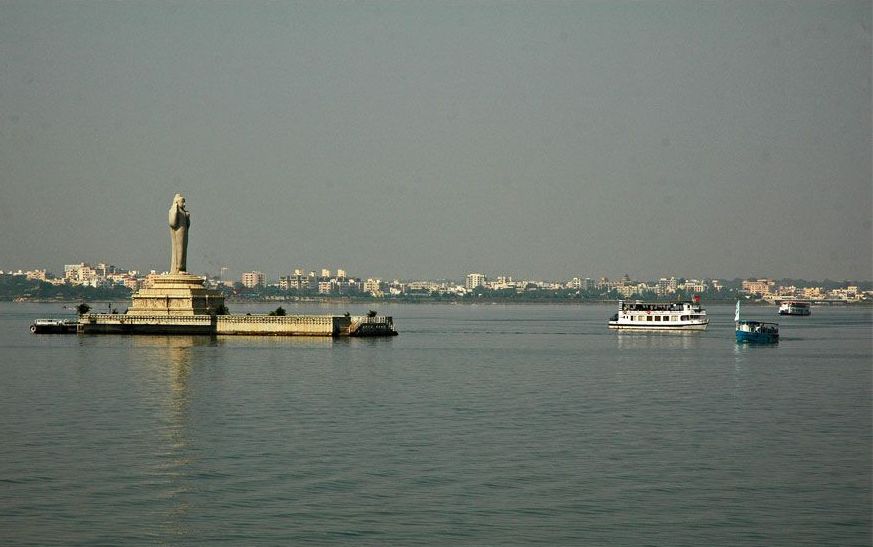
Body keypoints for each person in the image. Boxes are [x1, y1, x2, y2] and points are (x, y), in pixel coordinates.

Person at [168, 194, 190, 273]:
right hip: (178, 233)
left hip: (184, 233)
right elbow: (172, 223)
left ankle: (183, 268)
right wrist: (175, 211)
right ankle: (178, 267)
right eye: (182, 202)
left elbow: (188, 225)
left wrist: (187, 217)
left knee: (184, 249)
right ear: (177, 202)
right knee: (179, 249)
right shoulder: (174, 210)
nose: (184, 204)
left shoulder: (184, 212)